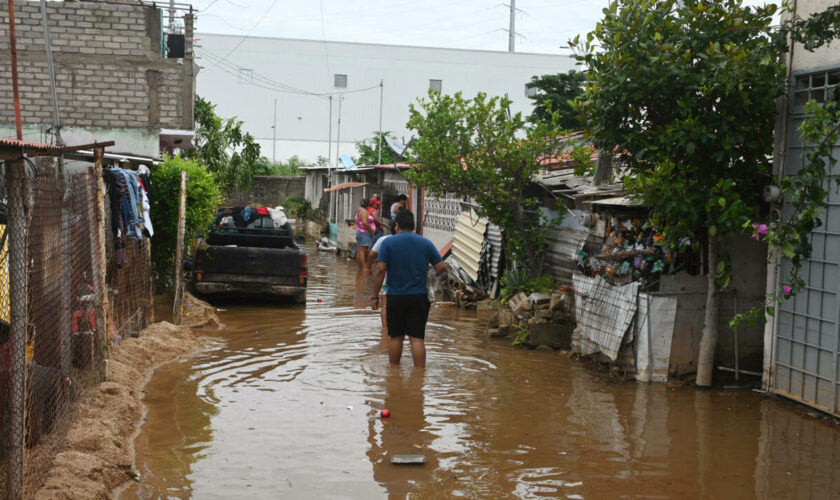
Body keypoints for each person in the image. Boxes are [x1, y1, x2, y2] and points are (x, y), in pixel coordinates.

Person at [372, 210, 445, 368]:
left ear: (396, 226)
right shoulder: (425, 243)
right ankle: (419, 376)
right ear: (413, 226)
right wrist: (430, 278)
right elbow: (441, 267)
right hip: (419, 296)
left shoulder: (387, 243)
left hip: (395, 296)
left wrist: (374, 296)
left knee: (396, 337)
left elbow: (380, 270)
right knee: (417, 338)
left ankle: (393, 375)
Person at [367, 234, 391, 340]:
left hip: (386, 274)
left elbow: (372, 254)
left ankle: (386, 332)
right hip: (405, 277)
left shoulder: (384, 239)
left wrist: (368, 267)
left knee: (385, 305)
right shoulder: (413, 240)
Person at [355, 198, 375, 272]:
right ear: (368, 205)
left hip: (360, 232)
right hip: (364, 233)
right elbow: (365, 223)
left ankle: (360, 268)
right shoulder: (364, 211)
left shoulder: (359, 210)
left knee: (360, 251)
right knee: (363, 251)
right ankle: (364, 269)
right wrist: (371, 231)